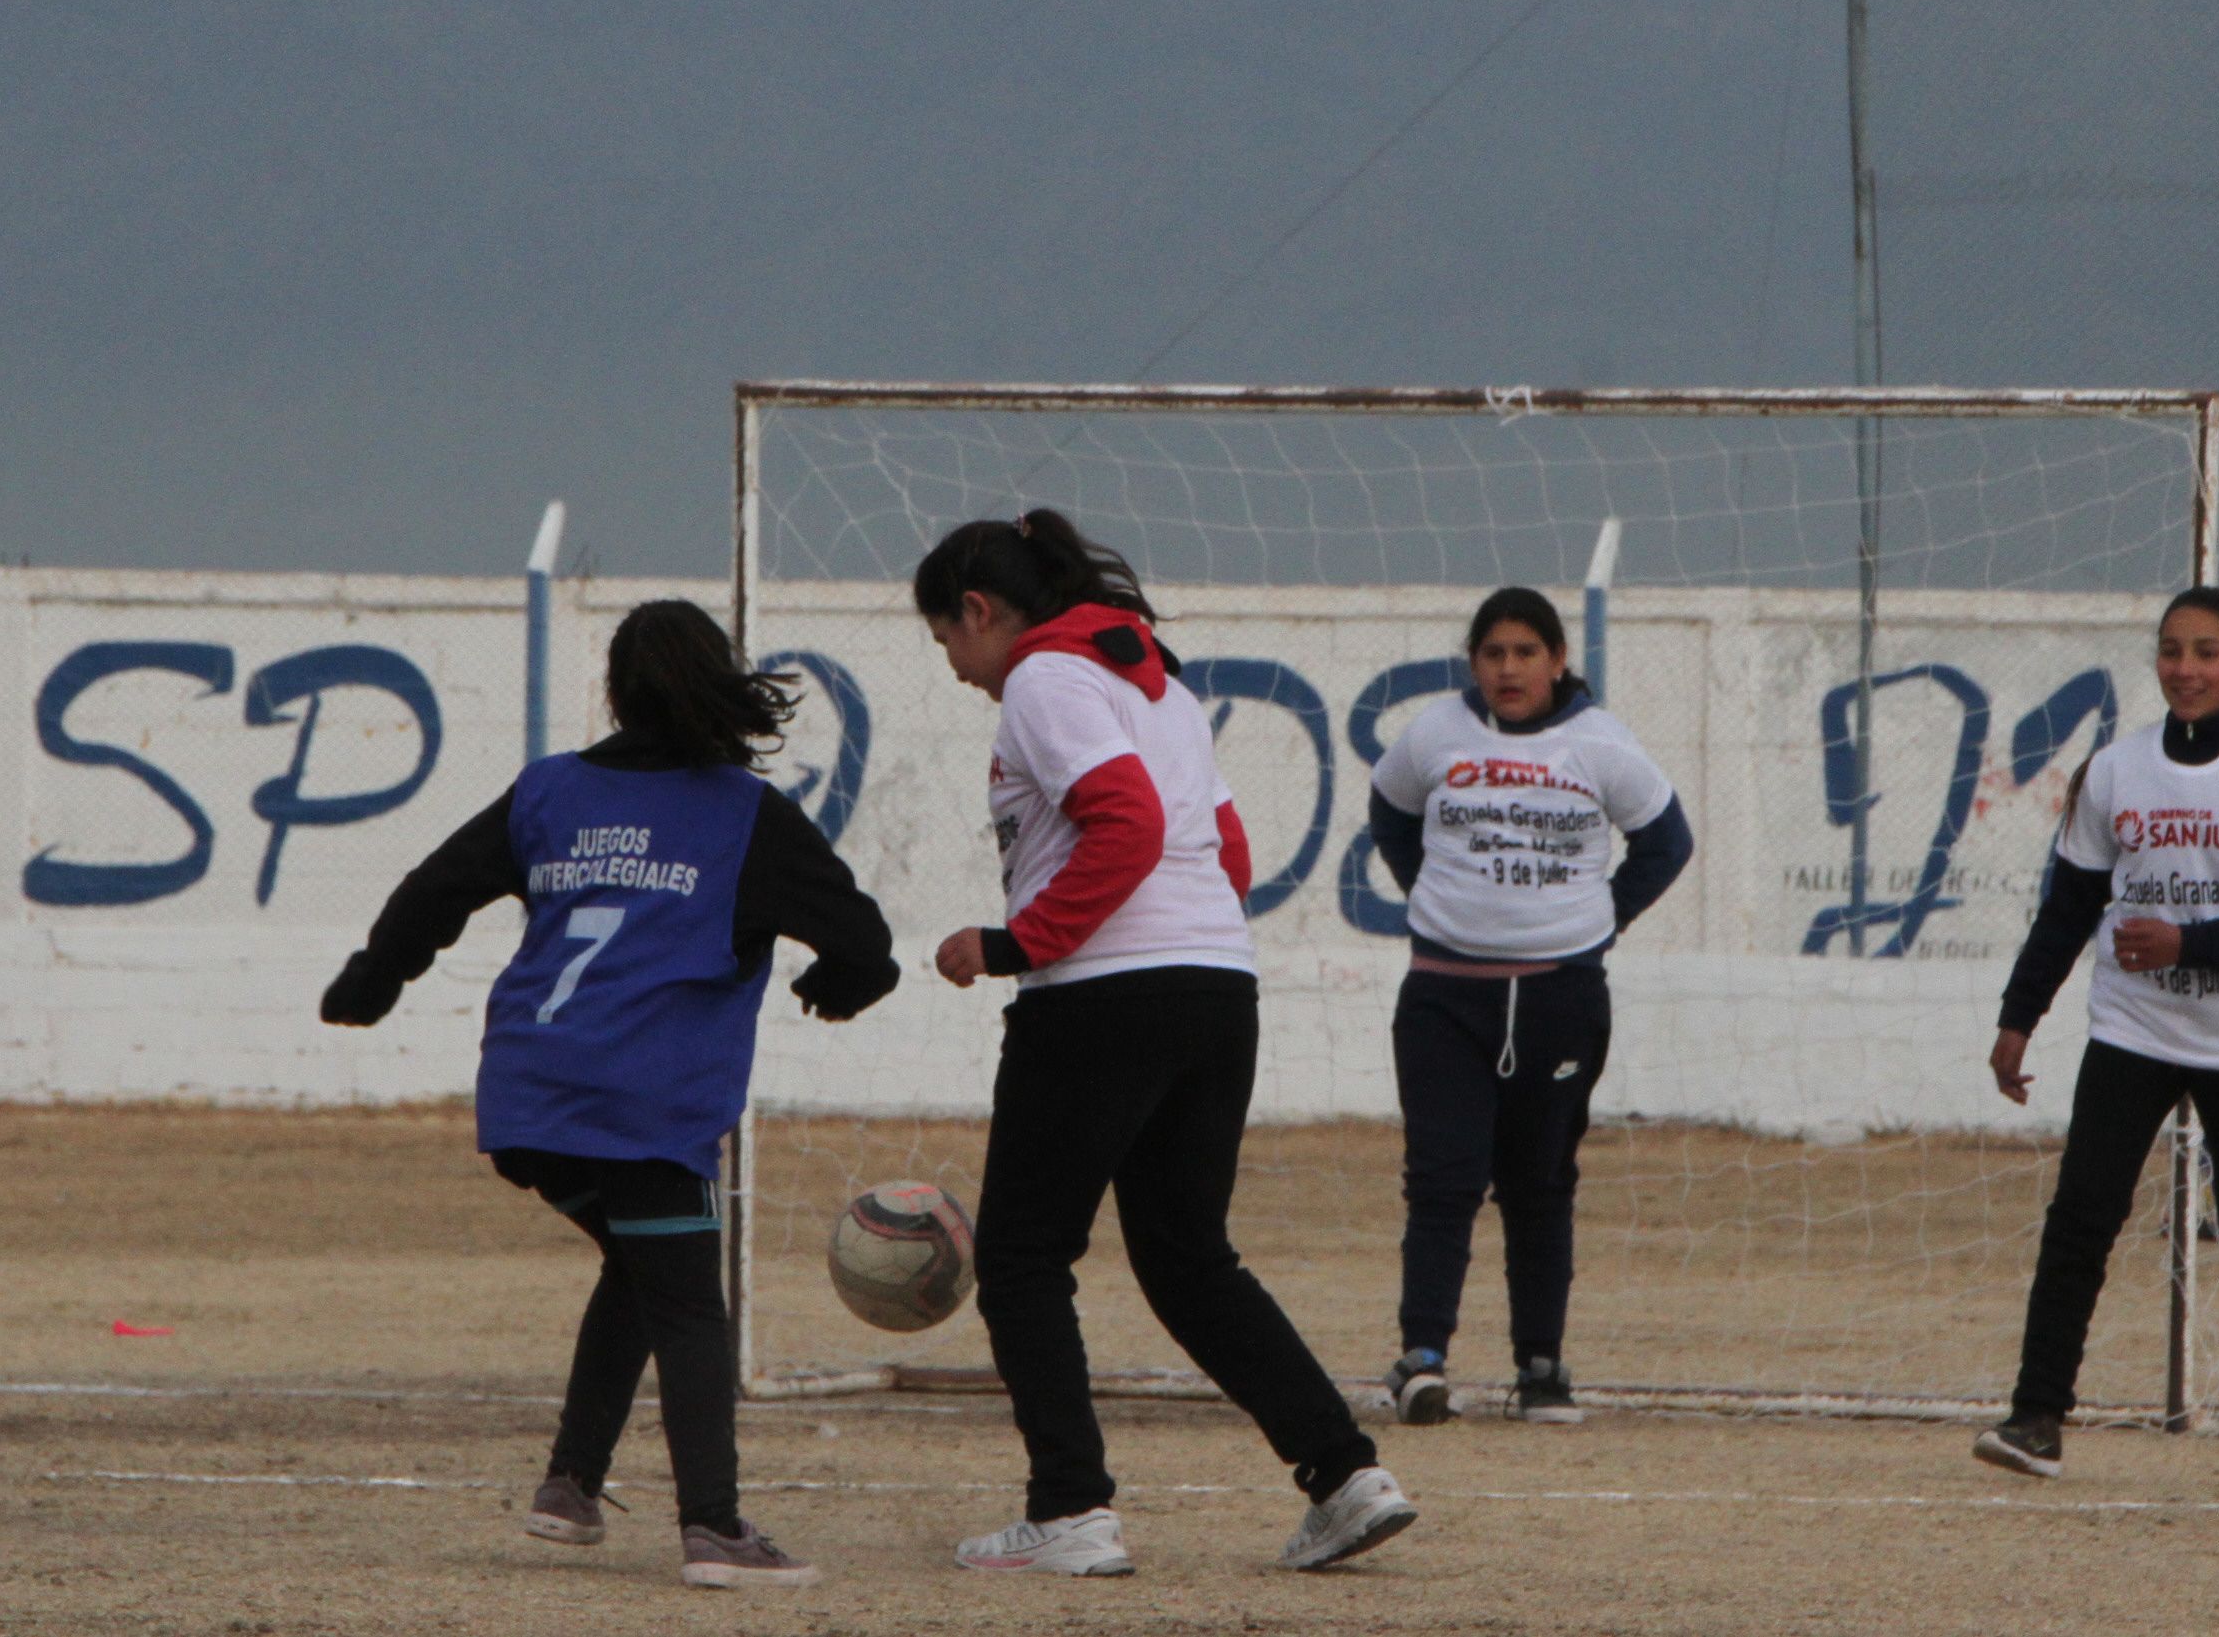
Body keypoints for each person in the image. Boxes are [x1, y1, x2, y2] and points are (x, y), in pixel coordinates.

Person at [317, 598, 896, 1588]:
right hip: (644, 1107)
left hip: (530, 1097)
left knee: (639, 1266)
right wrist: (835, 987)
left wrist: (374, 980)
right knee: (688, 1303)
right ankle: (713, 1528)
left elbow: (432, 888)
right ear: (716, 687)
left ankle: (569, 1486)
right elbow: (865, 945)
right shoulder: (743, 814)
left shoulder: (550, 789)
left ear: (616, 695)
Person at [919, 508, 1416, 1578]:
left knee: (1020, 1255)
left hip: (1101, 995)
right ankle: (1345, 1475)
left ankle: (1069, 1508)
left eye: (945, 637)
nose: (953, 665)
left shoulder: (1044, 679)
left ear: (978, 610)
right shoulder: (1162, 691)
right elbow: (1225, 847)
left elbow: (1128, 822)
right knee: (1188, 1258)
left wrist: (1017, 942)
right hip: (1215, 987)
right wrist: (1181, 948)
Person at [1974, 585, 2219, 1488]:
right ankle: (2035, 1419)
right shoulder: (2116, 770)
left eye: (2207, 652)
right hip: (2132, 1030)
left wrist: (2188, 944)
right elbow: (2067, 911)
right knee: (2082, 1217)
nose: (2186, 668)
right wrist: (2019, 1017)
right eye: (2173, 650)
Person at [1364, 586, 1692, 1426]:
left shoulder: (1601, 742)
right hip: (1444, 996)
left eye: (1525, 652)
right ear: (1473, 662)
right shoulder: (1435, 733)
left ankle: (1541, 1366)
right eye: (1492, 653)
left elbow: (1666, 841)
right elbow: (1391, 814)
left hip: (1559, 999)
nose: (1508, 669)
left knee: (1539, 1182)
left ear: (1557, 660)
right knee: (1442, 1178)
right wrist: (1433, 895)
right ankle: (1423, 1357)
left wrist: (1602, 917)